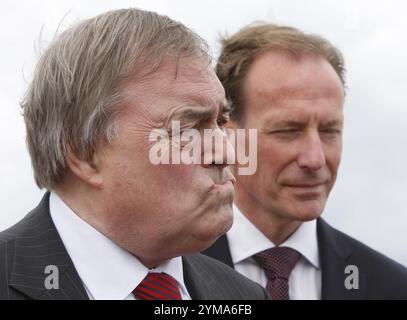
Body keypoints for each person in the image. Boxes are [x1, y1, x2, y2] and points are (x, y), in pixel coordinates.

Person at [0, 9, 269, 300]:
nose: (226, 153)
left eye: (220, 122)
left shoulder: (245, 295)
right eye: (186, 129)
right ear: (85, 153)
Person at [203, 23, 407, 299]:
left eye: (329, 131)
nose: (315, 158)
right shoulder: (163, 275)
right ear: (227, 136)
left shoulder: (392, 287)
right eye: (287, 131)